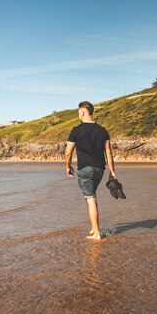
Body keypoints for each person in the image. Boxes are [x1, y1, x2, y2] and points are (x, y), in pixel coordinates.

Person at [64, 101, 117, 240]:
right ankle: (94, 229)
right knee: (90, 196)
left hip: (85, 169)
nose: (79, 116)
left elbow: (68, 153)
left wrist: (68, 167)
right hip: (100, 169)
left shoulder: (76, 130)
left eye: (78, 113)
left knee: (90, 198)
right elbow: (109, 153)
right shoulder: (103, 130)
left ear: (82, 112)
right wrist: (112, 172)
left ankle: (97, 234)